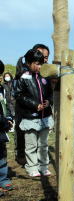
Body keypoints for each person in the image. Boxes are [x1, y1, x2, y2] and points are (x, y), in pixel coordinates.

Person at [15, 49, 53, 177]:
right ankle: (32, 167)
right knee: (31, 145)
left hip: (45, 117)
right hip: (30, 117)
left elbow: (50, 93)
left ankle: (43, 166)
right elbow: (19, 96)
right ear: (28, 63)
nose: (39, 67)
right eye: (36, 63)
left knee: (43, 144)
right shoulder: (23, 77)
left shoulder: (45, 76)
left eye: (41, 64)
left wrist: (48, 102)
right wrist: (34, 105)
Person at [0, 60, 14, 196]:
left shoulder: (2, 90)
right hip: (1, 123)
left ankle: (3, 179)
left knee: (2, 155)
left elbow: (6, 106)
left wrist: (9, 118)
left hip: (1, 128)